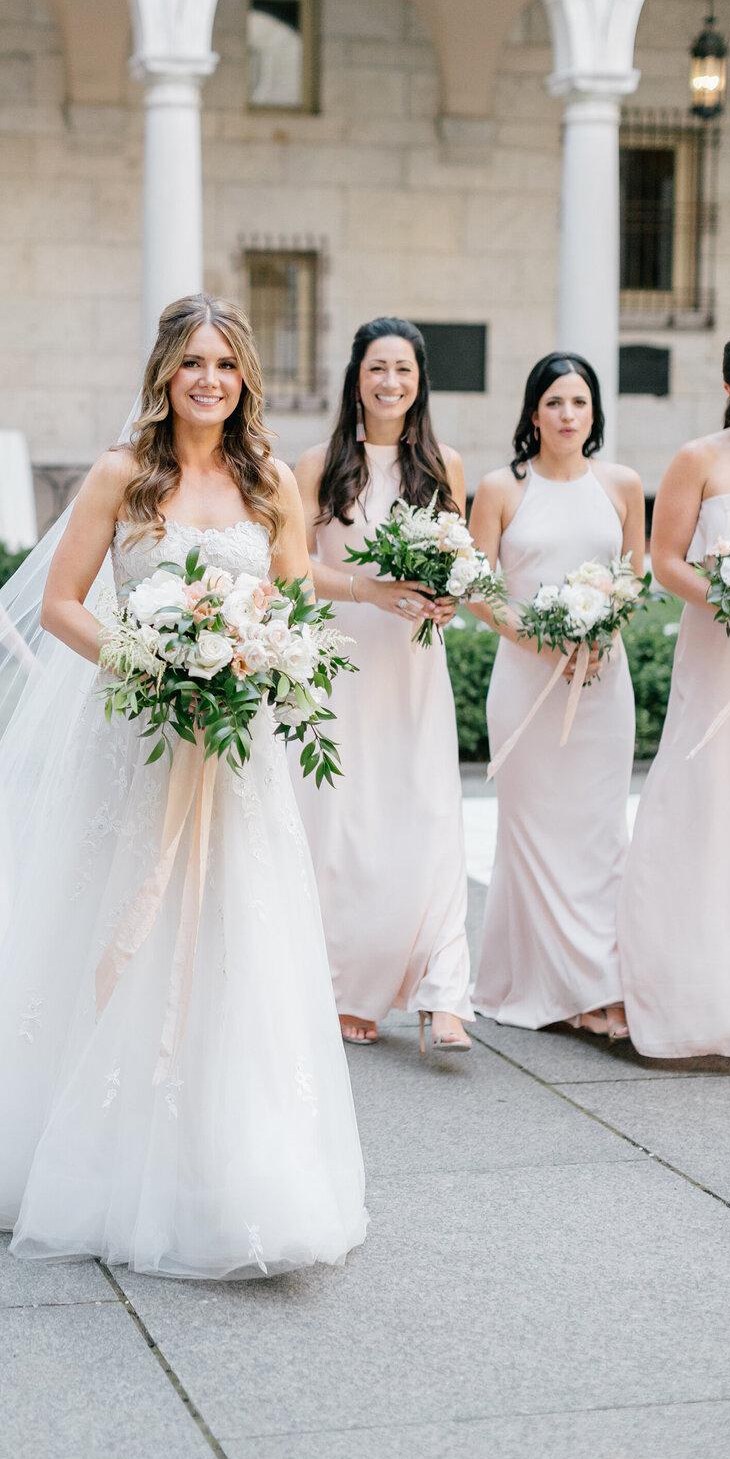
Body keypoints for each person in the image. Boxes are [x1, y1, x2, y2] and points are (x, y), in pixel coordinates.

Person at [0, 295, 367, 1279]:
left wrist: (253, 660)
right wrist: (151, 656)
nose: (208, 379)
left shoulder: (271, 485)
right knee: (124, 912)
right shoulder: (125, 476)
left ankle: (238, 1164)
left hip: (237, 739)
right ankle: (94, 1147)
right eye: (191, 363)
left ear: (244, 377)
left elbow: (292, 605)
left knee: (231, 931)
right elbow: (60, 604)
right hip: (139, 727)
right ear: (165, 374)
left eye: (225, 364)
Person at [293, 317, 473, 1054]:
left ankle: (444, 992)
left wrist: (447, 595)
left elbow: (461, 561)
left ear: (420, 378)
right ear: (356, 377)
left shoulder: (445, 465)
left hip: (414, 665)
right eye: (377, 368)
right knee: (348, 827)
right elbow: (289, 568)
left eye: (403, 368)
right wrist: (367, 588)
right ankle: (348, 987)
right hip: (342, 662)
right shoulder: (316, 464)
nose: (390, 382)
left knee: (427, 815)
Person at [468, 354, 644, 1038]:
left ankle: (601, 981)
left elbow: (631, 580)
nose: (568, 415)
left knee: (600, 836)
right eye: (554, 403)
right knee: (535, 833)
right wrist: (543, 642)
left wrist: (602, 632)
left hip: (603, 681)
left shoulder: (623, 484)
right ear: (532, 413)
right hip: (526, 678)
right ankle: (564, 989)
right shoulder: (500, 487)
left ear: (594, 411)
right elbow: (478, 589)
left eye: (579, 402)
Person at [618, 326, 730, 1058]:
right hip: (720, 652)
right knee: (706, 801)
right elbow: (666, 562)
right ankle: (689, 989)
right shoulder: (697, 459)